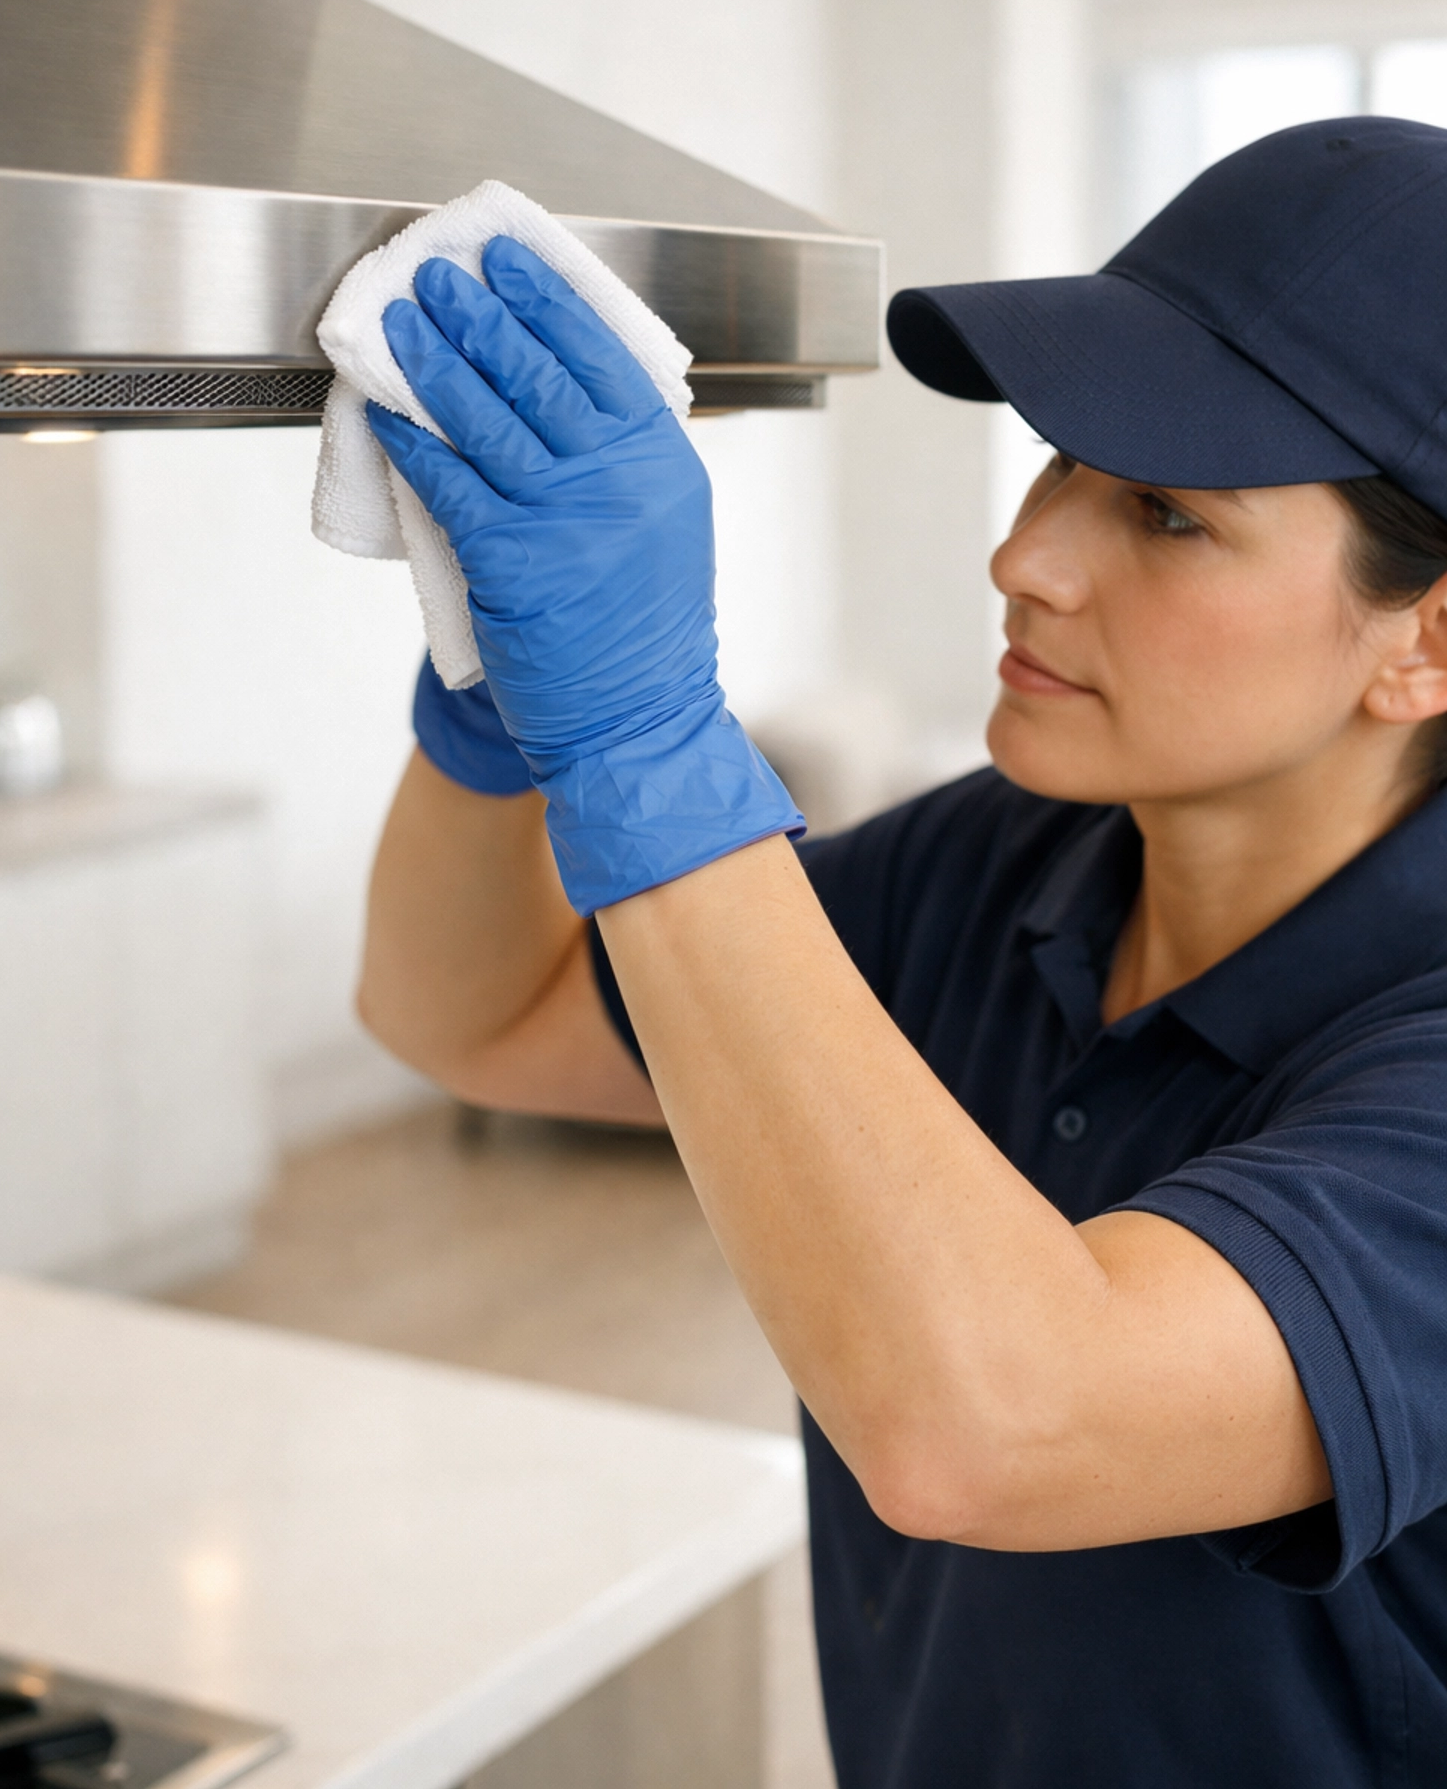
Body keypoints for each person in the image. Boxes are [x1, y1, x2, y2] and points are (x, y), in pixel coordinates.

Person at [357, 115, 1447, 1788]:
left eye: (1165, 514)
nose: (1027, 560)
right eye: (1062, 460)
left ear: (1425, 642)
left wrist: (653, 742)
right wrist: (509, 719)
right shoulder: (1010, 860)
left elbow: (997, 1425)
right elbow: (476, 1013)